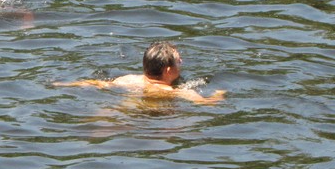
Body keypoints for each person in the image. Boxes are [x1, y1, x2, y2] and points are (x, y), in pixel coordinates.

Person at [56, 40, 225, 104]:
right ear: (168, 70)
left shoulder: (129, 80)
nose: (181, 64)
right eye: (179, 61)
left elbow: (95, 83)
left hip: (123, 106)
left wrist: (64, 84)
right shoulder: (174, 91)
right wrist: (220, 92)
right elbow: (206, 103)